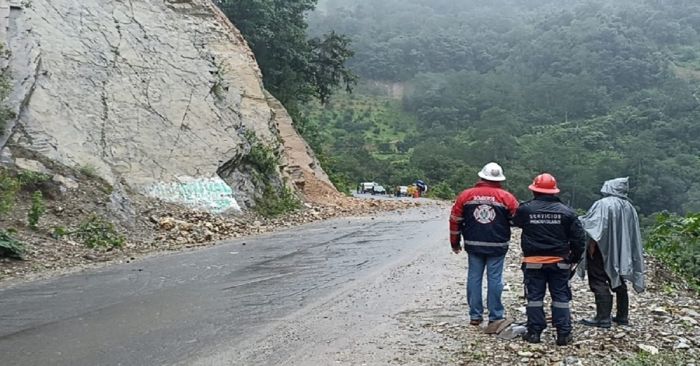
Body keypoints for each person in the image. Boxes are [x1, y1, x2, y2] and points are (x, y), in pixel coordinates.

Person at [512, 173, 586, 346]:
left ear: (535, 191)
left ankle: (534, 333)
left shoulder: (526, 209)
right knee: (560, 297)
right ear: (554, 191)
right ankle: (563, 335)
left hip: (533, 262)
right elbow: (579, 239)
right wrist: (574, 258)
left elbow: (515, 222)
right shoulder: (567, 212)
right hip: (559, 262)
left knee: (534, 298)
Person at [449, 162, 519, 326]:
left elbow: (455, 220)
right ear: (500, 179)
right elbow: (517, 220)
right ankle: (495, 316)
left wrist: (455, 243)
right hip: (498, 245)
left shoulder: (466, 195)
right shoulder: (507, 197)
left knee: (474, 277)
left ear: (481, 176)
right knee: (495, 278)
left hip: (473, 244)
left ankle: (475, 315)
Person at [578, 177, 645, 328]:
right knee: (618, 277)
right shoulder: (629, 207)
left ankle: (602, 318)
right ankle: (622, 316)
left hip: (602, 248)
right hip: (621, 250)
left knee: (598, 278)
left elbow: (595, 228)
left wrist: (591, 245)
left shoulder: (603, 204)